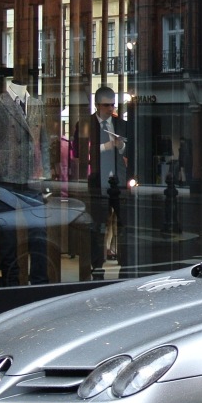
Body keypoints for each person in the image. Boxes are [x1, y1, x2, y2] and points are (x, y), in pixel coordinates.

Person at [0, 77, 51, 285]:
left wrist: (45, 174)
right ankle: (11, 281)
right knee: (8, 236)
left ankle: (39, 281)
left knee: (39, 233)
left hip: (32, 180)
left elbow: (44, 142)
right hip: (6, 179)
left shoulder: (37, 105)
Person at [81, 86, 130, 279]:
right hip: (97, 183)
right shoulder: (86, 124)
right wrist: (105, 146)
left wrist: (121, 146)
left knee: (123, 225)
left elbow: (131, 150)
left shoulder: (122, 124)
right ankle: (97, 267)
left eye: (112, 105)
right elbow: (81, 151)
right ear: (97, 105)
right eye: (106, 105)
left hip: (118, 182)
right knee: (97, 226)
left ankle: (124, 267)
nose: (110, 109)